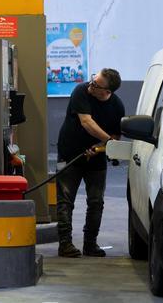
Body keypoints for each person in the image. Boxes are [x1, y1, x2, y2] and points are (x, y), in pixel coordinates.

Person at [55, 68, 125, 258]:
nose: (90, 85)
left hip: (96, 158)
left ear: (107, 92)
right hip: (69, 154)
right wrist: (108, 142)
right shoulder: (81, 91)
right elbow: (86, 122)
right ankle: (65, 244)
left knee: (96, 202)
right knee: (65, 200)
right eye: (93, 80)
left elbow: (116, 135)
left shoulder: (117, 106)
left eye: (96, 85)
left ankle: (90, 244)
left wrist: (101, 147)